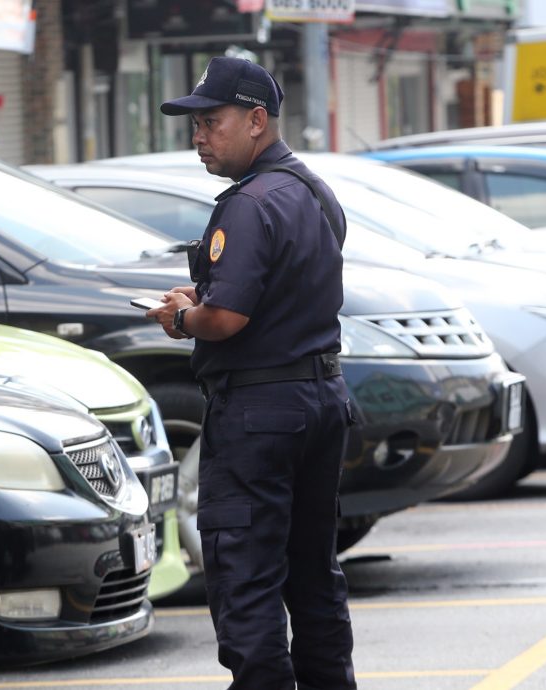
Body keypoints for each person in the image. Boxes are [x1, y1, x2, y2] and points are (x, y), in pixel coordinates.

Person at [145, 56, 357, 690]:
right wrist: (205, 298)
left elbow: (228, 319)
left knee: (246, 575)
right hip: (321, 398)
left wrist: (184, 319)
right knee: (313, 573)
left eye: (212, 121)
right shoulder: (314, 191)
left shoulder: (248, 204)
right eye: (195, 124)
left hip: (260, 411)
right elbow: (284, 289)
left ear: (257, 120)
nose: (199, 137)